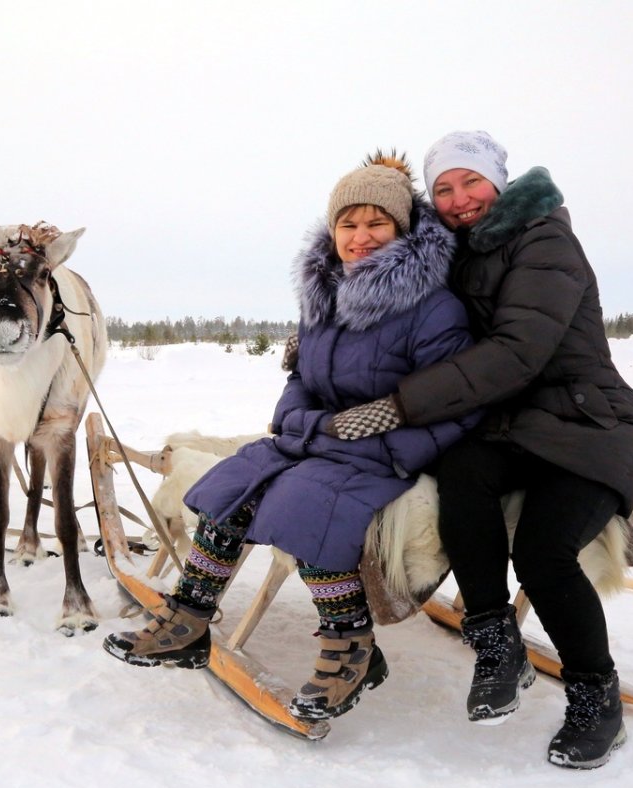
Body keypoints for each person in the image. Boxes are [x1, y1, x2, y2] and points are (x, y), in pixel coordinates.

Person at [103, 152, 483, 721]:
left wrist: (364, 440)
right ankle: (190, 617)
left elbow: (453, 407)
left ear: (402, 230)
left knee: (306, 505)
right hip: (324, 443)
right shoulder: (323, 300)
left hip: (387, 452)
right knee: (232, 482)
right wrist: (311, 427)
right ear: (331, 233)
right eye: (348, 225)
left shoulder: (435, 309)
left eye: (376, 223)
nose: (361, 237)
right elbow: (299, 386)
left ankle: (351, 645)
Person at [325, 131, 633, 768]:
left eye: (471, 182)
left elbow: (516, 352)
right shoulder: (461, 253)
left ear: (500, 183)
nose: (459, 198)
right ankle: (497, 643)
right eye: (443, 188)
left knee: (541, 550)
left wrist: (398, 406)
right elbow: (401, 314)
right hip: (508, 425)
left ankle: (595, 697)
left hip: (589, 426)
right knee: (461, 480)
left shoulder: (544, 240)